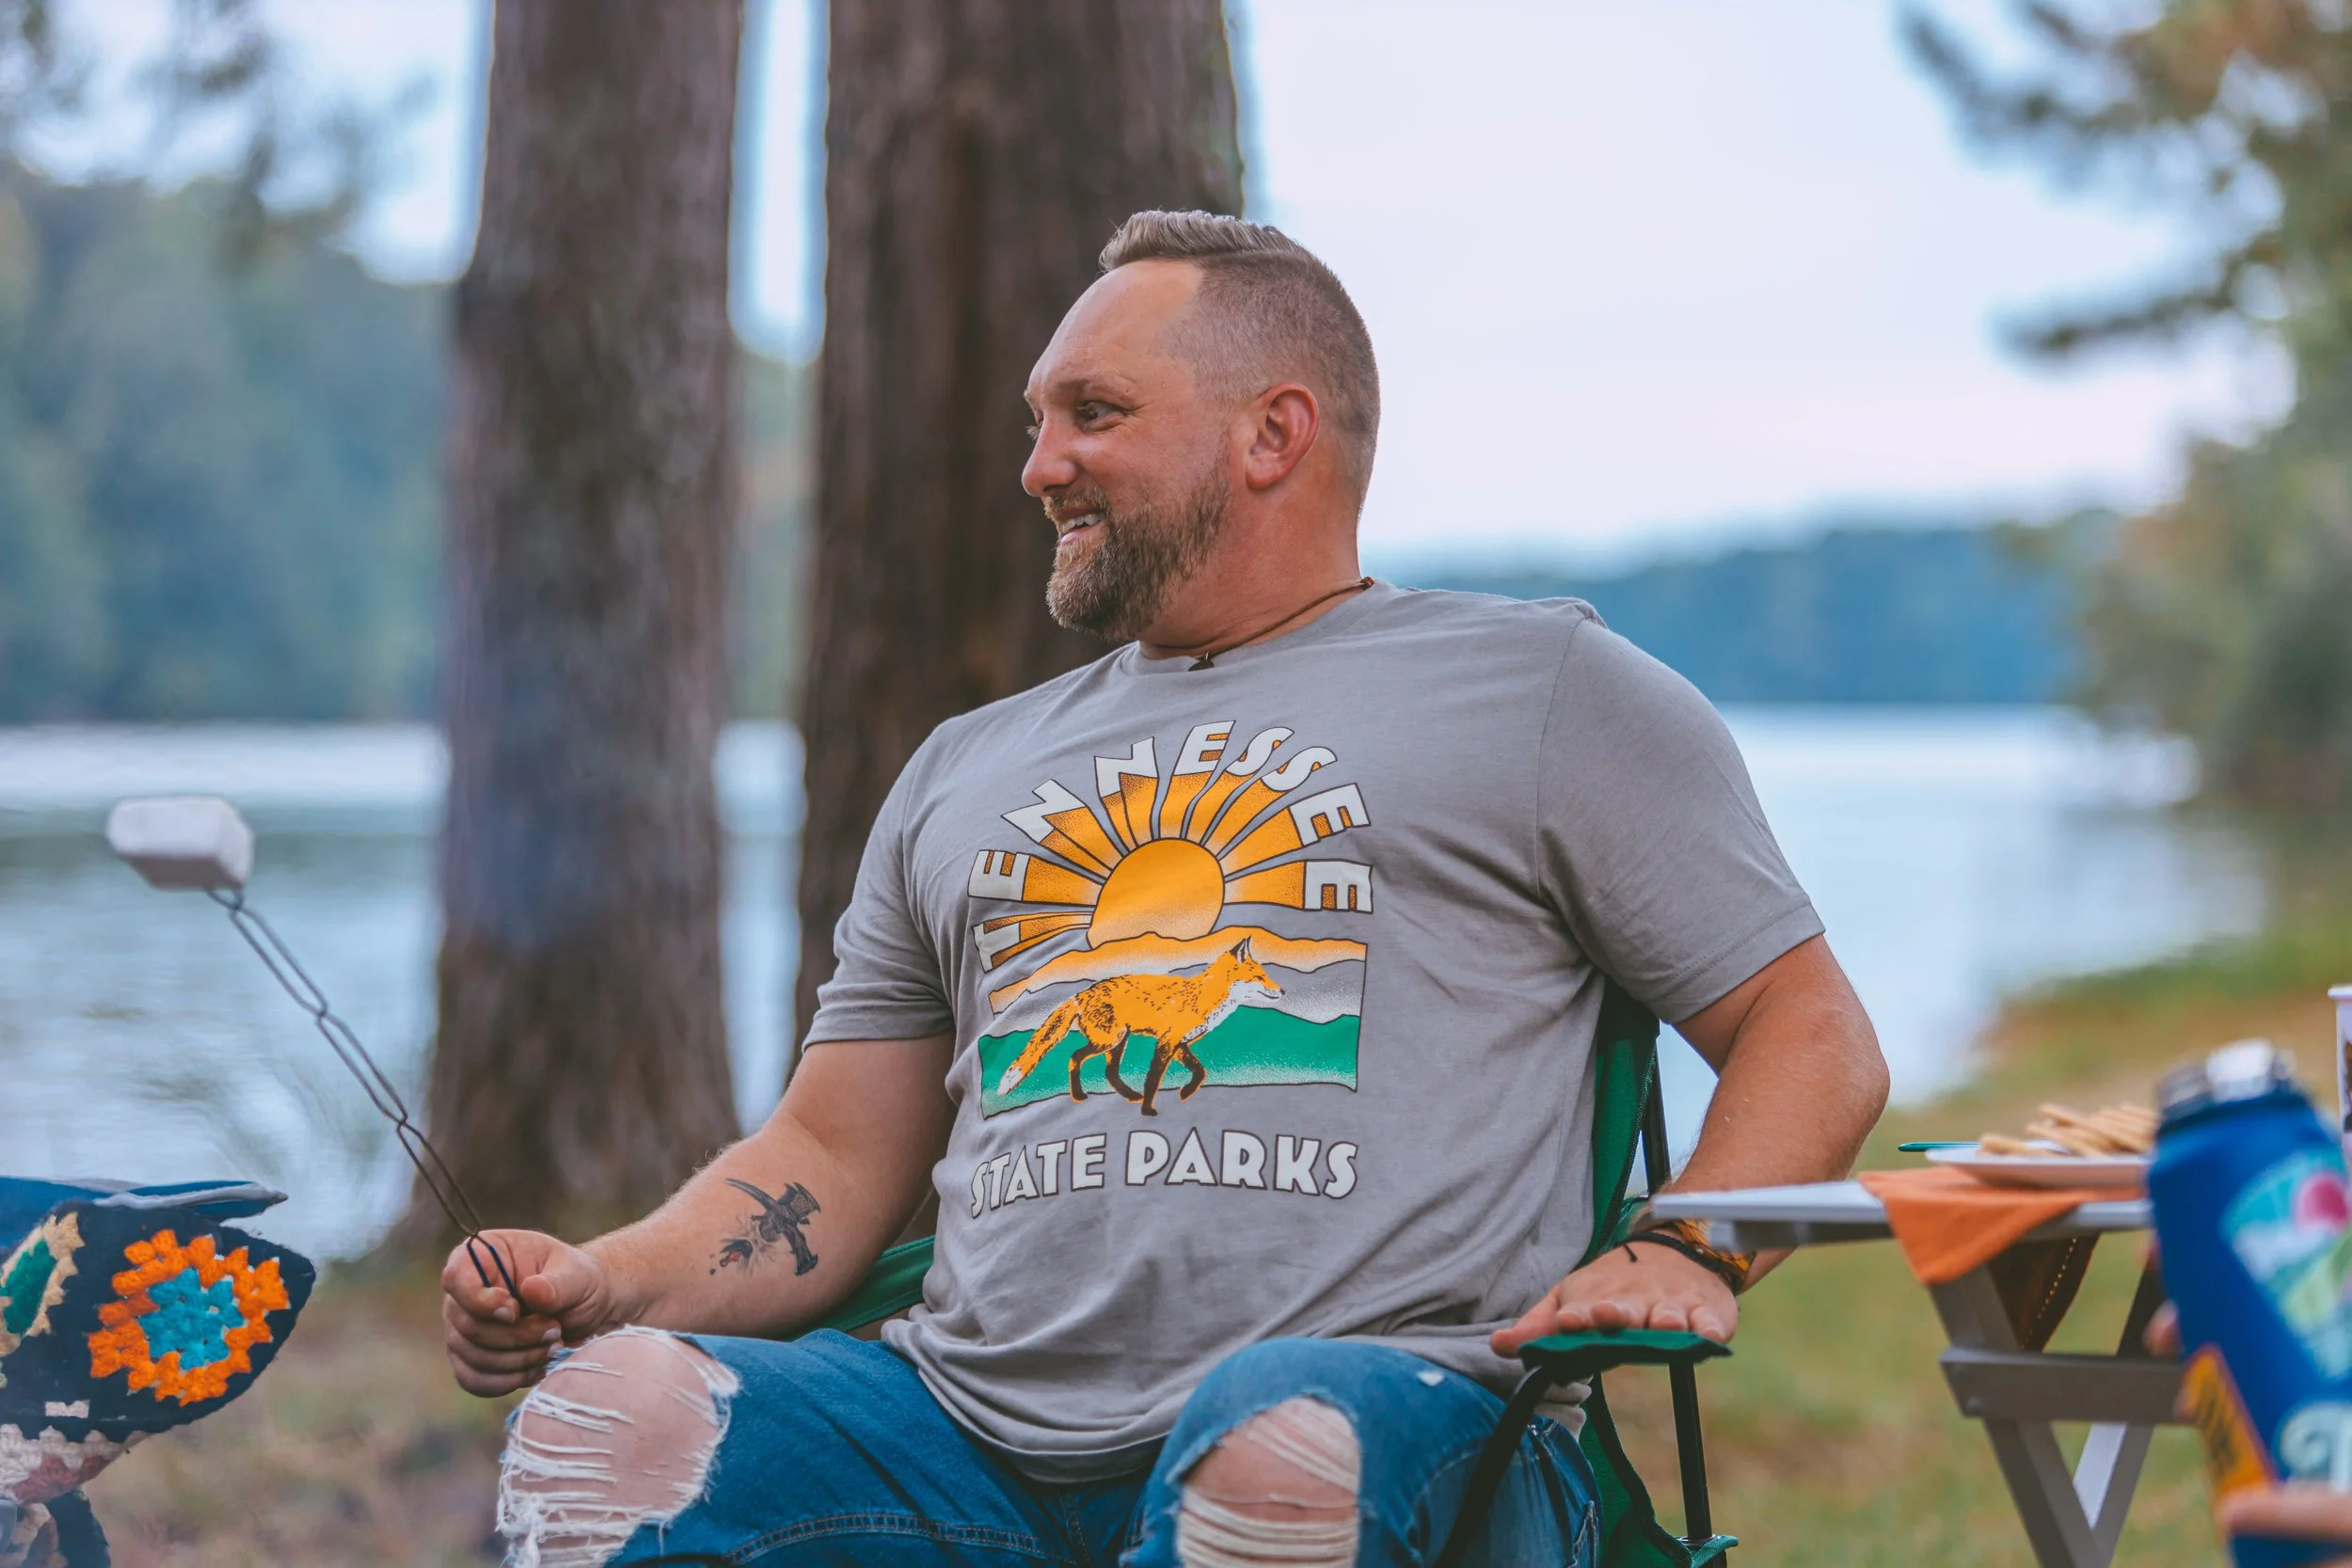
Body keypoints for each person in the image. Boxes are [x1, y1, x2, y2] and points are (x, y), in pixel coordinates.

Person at [442, 210, 1890, 1568]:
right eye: (1038, 423)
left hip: (1408, 1419)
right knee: (604, 1424)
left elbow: (1808, 1027)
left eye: (1095, 414)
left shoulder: (1545, 691)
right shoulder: (967, 765)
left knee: (1276, 1452)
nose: (1038, 465)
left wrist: (1689, 1242)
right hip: (961, 1439)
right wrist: (611, 1277)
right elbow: (830, 1148)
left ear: (1274, 434)